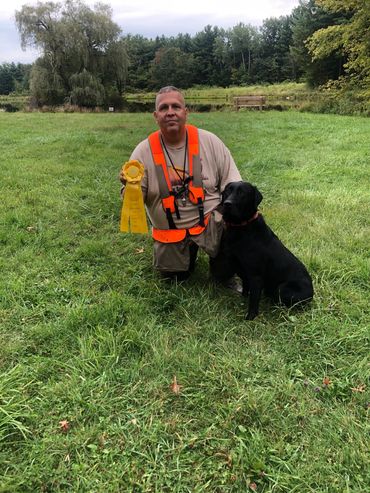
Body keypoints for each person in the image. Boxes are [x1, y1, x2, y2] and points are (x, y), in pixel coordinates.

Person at [120, 86, 242, 281]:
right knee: (174, 279)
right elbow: (134, 201)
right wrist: (129, 187)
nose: (170, 112)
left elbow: (235, 186)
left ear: (186, 112)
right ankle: (182, 259)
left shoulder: (210, 141)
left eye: (176, 106)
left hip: (211, 224)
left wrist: (239, 220)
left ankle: (223, 265)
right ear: (155, 115)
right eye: (164, 108)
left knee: (224, 270)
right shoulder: (142, 152)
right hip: (170, 231)